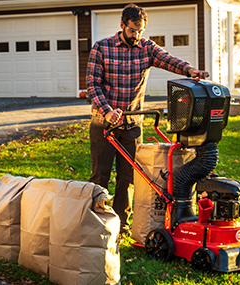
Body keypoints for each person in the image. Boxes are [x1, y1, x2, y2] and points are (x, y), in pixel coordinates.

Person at [86, 3, 209, 236]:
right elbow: (93, 84)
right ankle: (96, 225)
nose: (137, 35)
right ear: (122, 25)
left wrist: (190, 70)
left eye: (140, 31)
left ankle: (120, 226)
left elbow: (168, 59)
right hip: (104, 123)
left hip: (132, 124)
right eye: (133, 30)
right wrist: (107, 110)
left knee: (128, 178)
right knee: (100, 176)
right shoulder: (102, 48)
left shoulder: (146, 48)